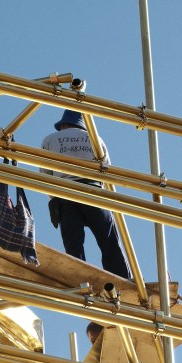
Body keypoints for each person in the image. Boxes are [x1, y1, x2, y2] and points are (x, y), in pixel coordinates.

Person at [41, 110, 132, 279]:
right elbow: (107, 172)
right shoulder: (97, 140)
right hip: (93, 193)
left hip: (65, 195)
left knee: (73, 245)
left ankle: (78, 280)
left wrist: (55, 200)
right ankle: (121, 278)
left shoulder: (49, 140)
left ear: (63, 124)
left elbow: (45, 175)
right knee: (109, 241)